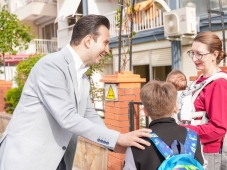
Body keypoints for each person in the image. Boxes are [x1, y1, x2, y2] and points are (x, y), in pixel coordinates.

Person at [0, 15, 152, 170]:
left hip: (58, 160)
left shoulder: (82, 75)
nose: (107, 50)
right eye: (105, 43)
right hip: (28, 160)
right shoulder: (51, 66)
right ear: (88, 41)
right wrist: (117, 138)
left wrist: (114, 142)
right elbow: (67, 117)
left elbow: (89, 114)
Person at [123, 80, 207, 170]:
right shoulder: (193, 137)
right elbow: (202, 165)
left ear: (145, 111)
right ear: (175, 107)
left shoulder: (138, 142)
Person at [183, 31, 227, 170]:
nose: (194, 58)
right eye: (192, 53)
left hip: (208, 152)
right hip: (196, 147)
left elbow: (218, 128)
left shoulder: (219, 84)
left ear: (215, 54)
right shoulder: (200, 81)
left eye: (199, 54)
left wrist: (184, 131)